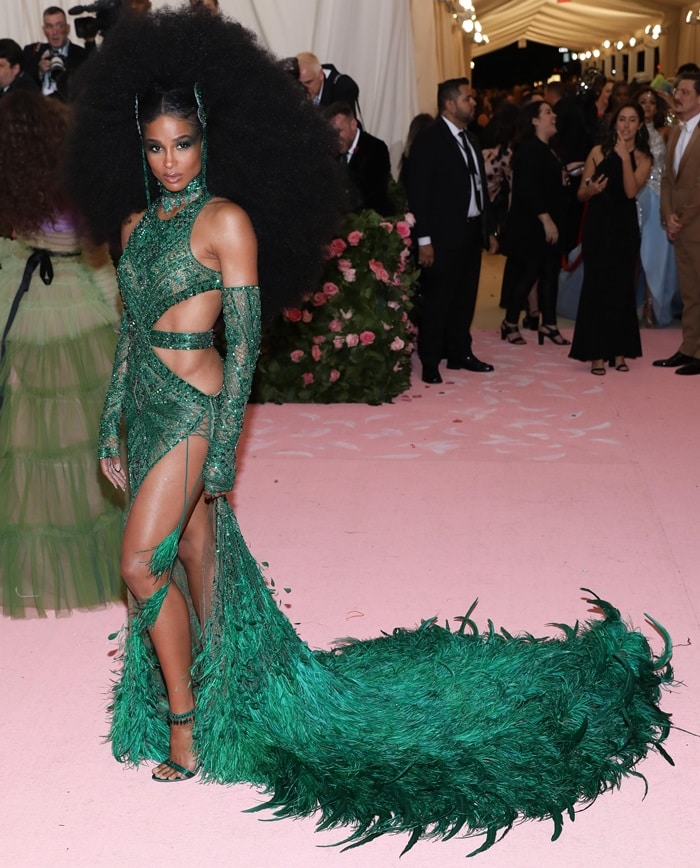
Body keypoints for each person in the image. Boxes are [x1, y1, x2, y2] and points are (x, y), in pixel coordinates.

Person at [65, 10, 673, 855]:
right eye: (158, 147)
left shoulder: (225, 223)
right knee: (197, 557)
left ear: (208, 141)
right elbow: (131, 336)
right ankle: (238, 693)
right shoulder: (136, 228)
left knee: (140, 562)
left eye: (185, 146)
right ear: (138, 146)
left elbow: (244, 348)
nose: (171, 162)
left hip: (198, 405)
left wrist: (226, 445)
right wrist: (108, 426)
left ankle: (186, 722)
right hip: (143, 408)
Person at [0, 91, 123, 617]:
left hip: (19, 296)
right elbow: (96, 251)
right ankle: (104, 559)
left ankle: (29, 569)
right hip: (78, 301)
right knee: (88, 435)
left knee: (23, 439)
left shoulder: (10, 179)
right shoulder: (80, 179)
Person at [406, 77, 497, 384]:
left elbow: (480, 188)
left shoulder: (471, 139)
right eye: (468, 98)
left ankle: (460, 353)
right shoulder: (430, 139)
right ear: (449, 103)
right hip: (442, 237)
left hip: (470, 232)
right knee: (437, 300)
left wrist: (488, 229)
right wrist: (424, 239)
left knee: (465, 298)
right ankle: (430, 360)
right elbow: (418, 192)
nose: (474, 103)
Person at [569, 103, 652, 374]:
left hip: (624, 226)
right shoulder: (597, 151)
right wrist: (591, 190)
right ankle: (595, 353)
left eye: (632, 120)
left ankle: (619, 352)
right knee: (596, 286)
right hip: (598, 224)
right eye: (622, 120)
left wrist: (625, 158)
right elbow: (580, 194)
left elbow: (630, 192)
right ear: (614, 123)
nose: (626, 125)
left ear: (640, 125)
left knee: (621, 287)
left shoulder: (643, 157)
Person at [500, 101, 569, 347]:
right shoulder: (529, 149)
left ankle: (549, 323)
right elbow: (527, 189)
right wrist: (546, 218)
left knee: (550, 272)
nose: (554, 115)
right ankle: (509, 323)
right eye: (548, 112)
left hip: (549, 222)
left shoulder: (549, 148)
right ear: (534, 121)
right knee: (529, 274)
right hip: (533, 224)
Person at [655, 73, 700, 375]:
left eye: (684, 91)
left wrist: (681, 219)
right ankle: (689, 347)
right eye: (676, 90)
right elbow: (668, 179)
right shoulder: (674, 132)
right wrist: (667, 214)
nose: (678, 95)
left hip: (695, 223)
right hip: (681, 226)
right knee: (689, 293)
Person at [634, 86, 680, 328]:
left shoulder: (665, 131)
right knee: (633, 254)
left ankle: (653, 304)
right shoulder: (630, 131)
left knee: (656, 256)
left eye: (652, 102)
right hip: (635, 196)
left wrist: (672, 103)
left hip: (658, 197)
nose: (647, 106)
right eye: (642, 101)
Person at [326, 101, 393, 215]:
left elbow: (372, 194)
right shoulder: (330, 152)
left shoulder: (376, 149)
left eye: (339, 131)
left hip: (370, 223)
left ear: (353, 125)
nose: (335, 138)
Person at [22, 6, 89, 99]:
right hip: (40, 109)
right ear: (44, 30)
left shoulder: (82, 54)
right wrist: (39, 72)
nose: (54, 32)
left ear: (68, 28)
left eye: (59, 26)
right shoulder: (32, 52)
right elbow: (22, 87)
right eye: (49, 26)